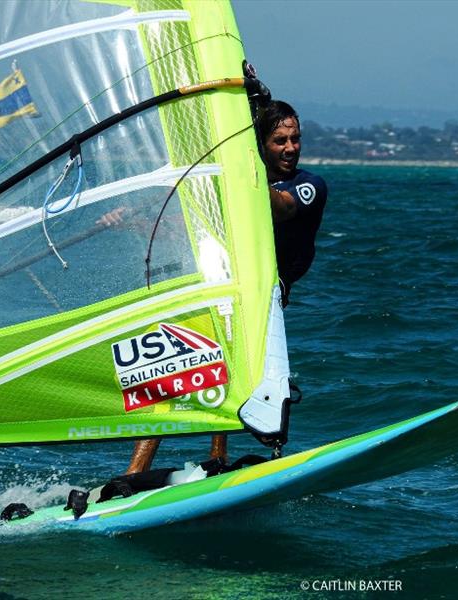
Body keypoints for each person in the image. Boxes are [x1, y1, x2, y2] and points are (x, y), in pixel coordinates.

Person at [125, 100, 327, 474]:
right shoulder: (234, 185)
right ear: (263, 144)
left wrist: (240, 165)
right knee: (178, 371)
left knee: (240, 378)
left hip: (261, 300)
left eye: (295, 139)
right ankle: (136, 472)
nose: (290, 148)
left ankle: (221, 456)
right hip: (223, 290)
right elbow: (188, 227)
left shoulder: (308, 185)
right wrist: (126, 220)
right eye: (280, 140)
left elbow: (280, 208)